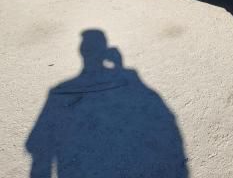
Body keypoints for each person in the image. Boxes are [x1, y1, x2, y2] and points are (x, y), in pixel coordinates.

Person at [26, 30, 188, 178]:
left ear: (82, 52)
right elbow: (166, 124)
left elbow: (38, 148)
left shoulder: (58, 92)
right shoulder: (133, 83)